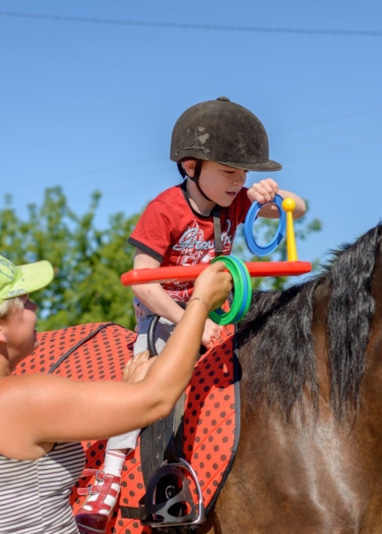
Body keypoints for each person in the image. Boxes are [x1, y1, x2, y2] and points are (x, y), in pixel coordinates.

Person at [82, 96, 307, 528]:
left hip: (220, 310)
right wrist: (190, 321)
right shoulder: (164, 209)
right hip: (166, 313)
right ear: (191, 167)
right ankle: (109, 472)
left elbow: (299, 207)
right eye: (228, 171)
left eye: (244, 173)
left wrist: (273, 196)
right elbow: (143, 277)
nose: (237, 180)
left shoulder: (237, 202)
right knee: (148, 372)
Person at [0, 248, 232, 534]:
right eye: (25, 302)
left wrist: (125, 392)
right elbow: (158, 398)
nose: (34, 310)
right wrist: (200, 303)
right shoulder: (18, 399)